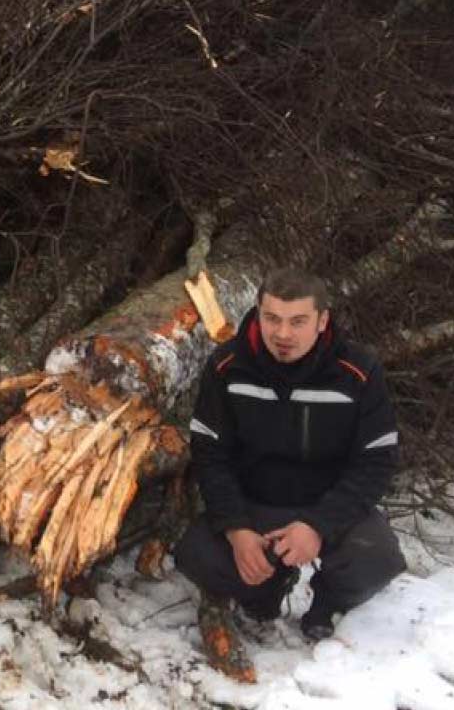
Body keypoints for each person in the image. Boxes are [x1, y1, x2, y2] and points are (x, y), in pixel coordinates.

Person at [174, 267, 406, 681]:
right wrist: (236, 529)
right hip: (255, 504)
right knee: (196, 555)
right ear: (258, 314)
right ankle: (265, 588)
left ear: (322, 321)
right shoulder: (228, 366)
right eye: (272, 318)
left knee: (378, 558)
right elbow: (210, 454)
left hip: (328, 504)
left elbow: (376, 462)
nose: (283, 333)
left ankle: (327, 603)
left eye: (298, 321)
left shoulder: (358, 370)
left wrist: (318, 525)